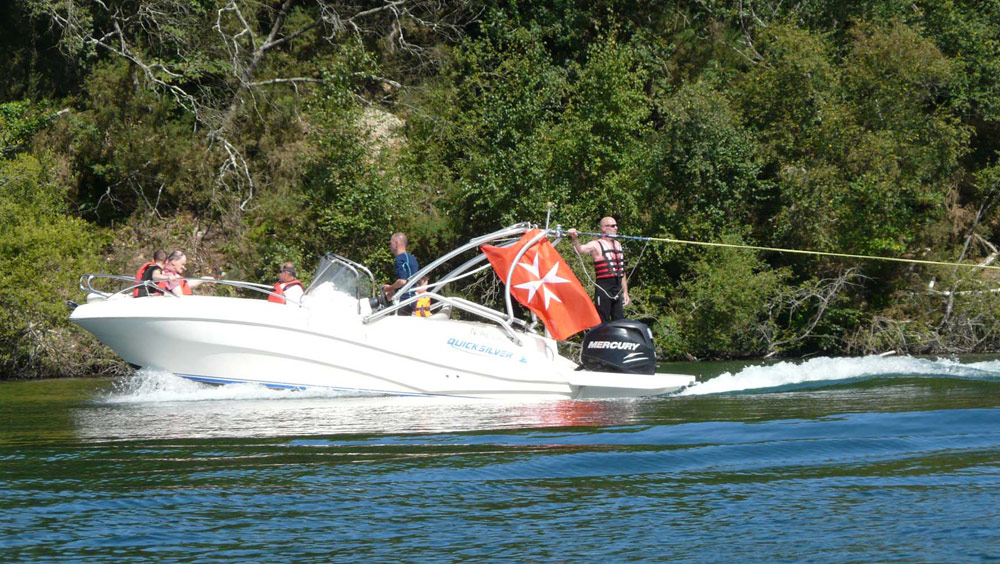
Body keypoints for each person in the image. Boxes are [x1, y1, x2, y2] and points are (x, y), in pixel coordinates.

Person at [568, 217, 629, 323]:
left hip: (617, 288)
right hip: (604, 287)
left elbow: (621, 271)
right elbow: (581, 249)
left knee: (619, 320)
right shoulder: (596, 244)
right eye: (612, 226)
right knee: (602, 319)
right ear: (604, 228)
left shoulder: (618, 245)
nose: (616, 228)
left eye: (616, 225)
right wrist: (574, 238)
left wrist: (625, 292)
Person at [381, 232, 420, 316]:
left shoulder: (400, 259)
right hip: (412, 300)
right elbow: (409, 282)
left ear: (396, 243)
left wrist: (389, 288)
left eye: (390, 243)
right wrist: (394, 291)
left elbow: (403, 281)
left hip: (404, 301)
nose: (390, 246)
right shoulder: (412, 259)